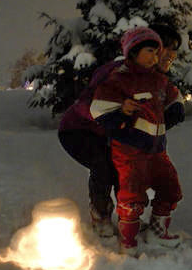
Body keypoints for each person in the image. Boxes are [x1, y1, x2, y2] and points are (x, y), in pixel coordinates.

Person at [57, 25, 181, 237]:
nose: (169, 54)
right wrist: (115, 115)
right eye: (165, 47)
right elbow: (86, 104)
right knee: (105, 166)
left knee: (129, 169)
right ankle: (101, 216)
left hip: (113, 134)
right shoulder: (117, 72)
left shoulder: (155, 80)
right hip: (80, 129)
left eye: (173, 49)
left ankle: (130, 217)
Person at [90, 27, 185, 255]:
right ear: (133, 52)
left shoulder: (159, 81)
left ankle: (156, 230)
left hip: (157, 150)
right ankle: (128, 240)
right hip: (129, 150)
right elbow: (99, 110)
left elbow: (174, 97)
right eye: (150, 51)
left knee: (170, 187)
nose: (155, 57)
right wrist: (122, 111)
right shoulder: (119, 80)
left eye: (157, 52)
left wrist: (175, 109)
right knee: (132, 195)